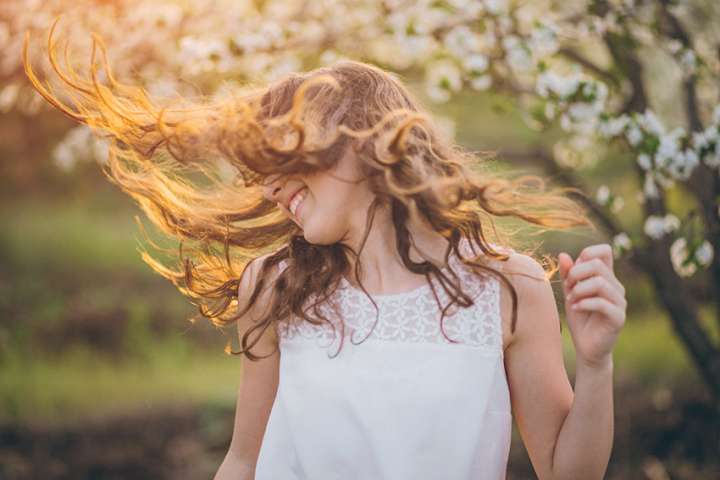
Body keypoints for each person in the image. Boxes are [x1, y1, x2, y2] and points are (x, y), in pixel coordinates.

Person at [24, 20, 627, 480]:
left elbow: (564, 470)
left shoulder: (507, 287)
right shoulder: (276, 286)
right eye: (262, 168)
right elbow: (243, 462)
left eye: (284, 159)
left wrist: (595, 364)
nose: (269, 187)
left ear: (356, 145)